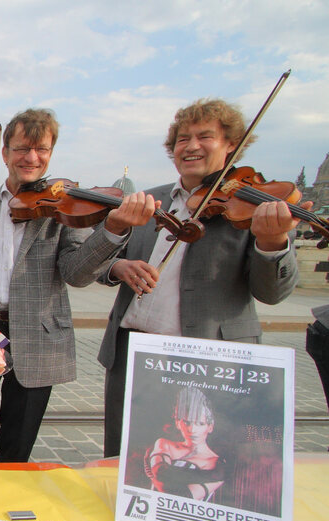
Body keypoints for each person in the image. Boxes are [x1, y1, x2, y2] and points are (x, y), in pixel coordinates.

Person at [98, 98, 302, 457]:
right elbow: (101, 263)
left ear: (232, 145)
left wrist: (272, 241)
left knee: (205, 456)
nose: (191, 146)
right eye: (182, 139)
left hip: (210, 361)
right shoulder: (151, 201)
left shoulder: (254, 205)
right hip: (134, 353)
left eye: (205, 137)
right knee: (124, 458)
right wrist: (117, 267)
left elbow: (271, 293)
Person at [0, 108, 155, 462]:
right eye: (21, 148)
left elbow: (77, 273)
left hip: (39, 333)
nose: (32, 158)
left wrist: (113, 230)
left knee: (17, 445)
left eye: (42, 149)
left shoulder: (65, 205)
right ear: (4, 154)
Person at [144, 386, 225, 501]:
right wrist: (209, 476)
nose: (192, 429)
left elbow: (182, 497)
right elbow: (161, 472)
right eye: (186, 422)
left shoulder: (215, 463)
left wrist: (153, 475)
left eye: (200, 423)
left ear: (210, 427)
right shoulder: (165, 444)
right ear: (178, 423)